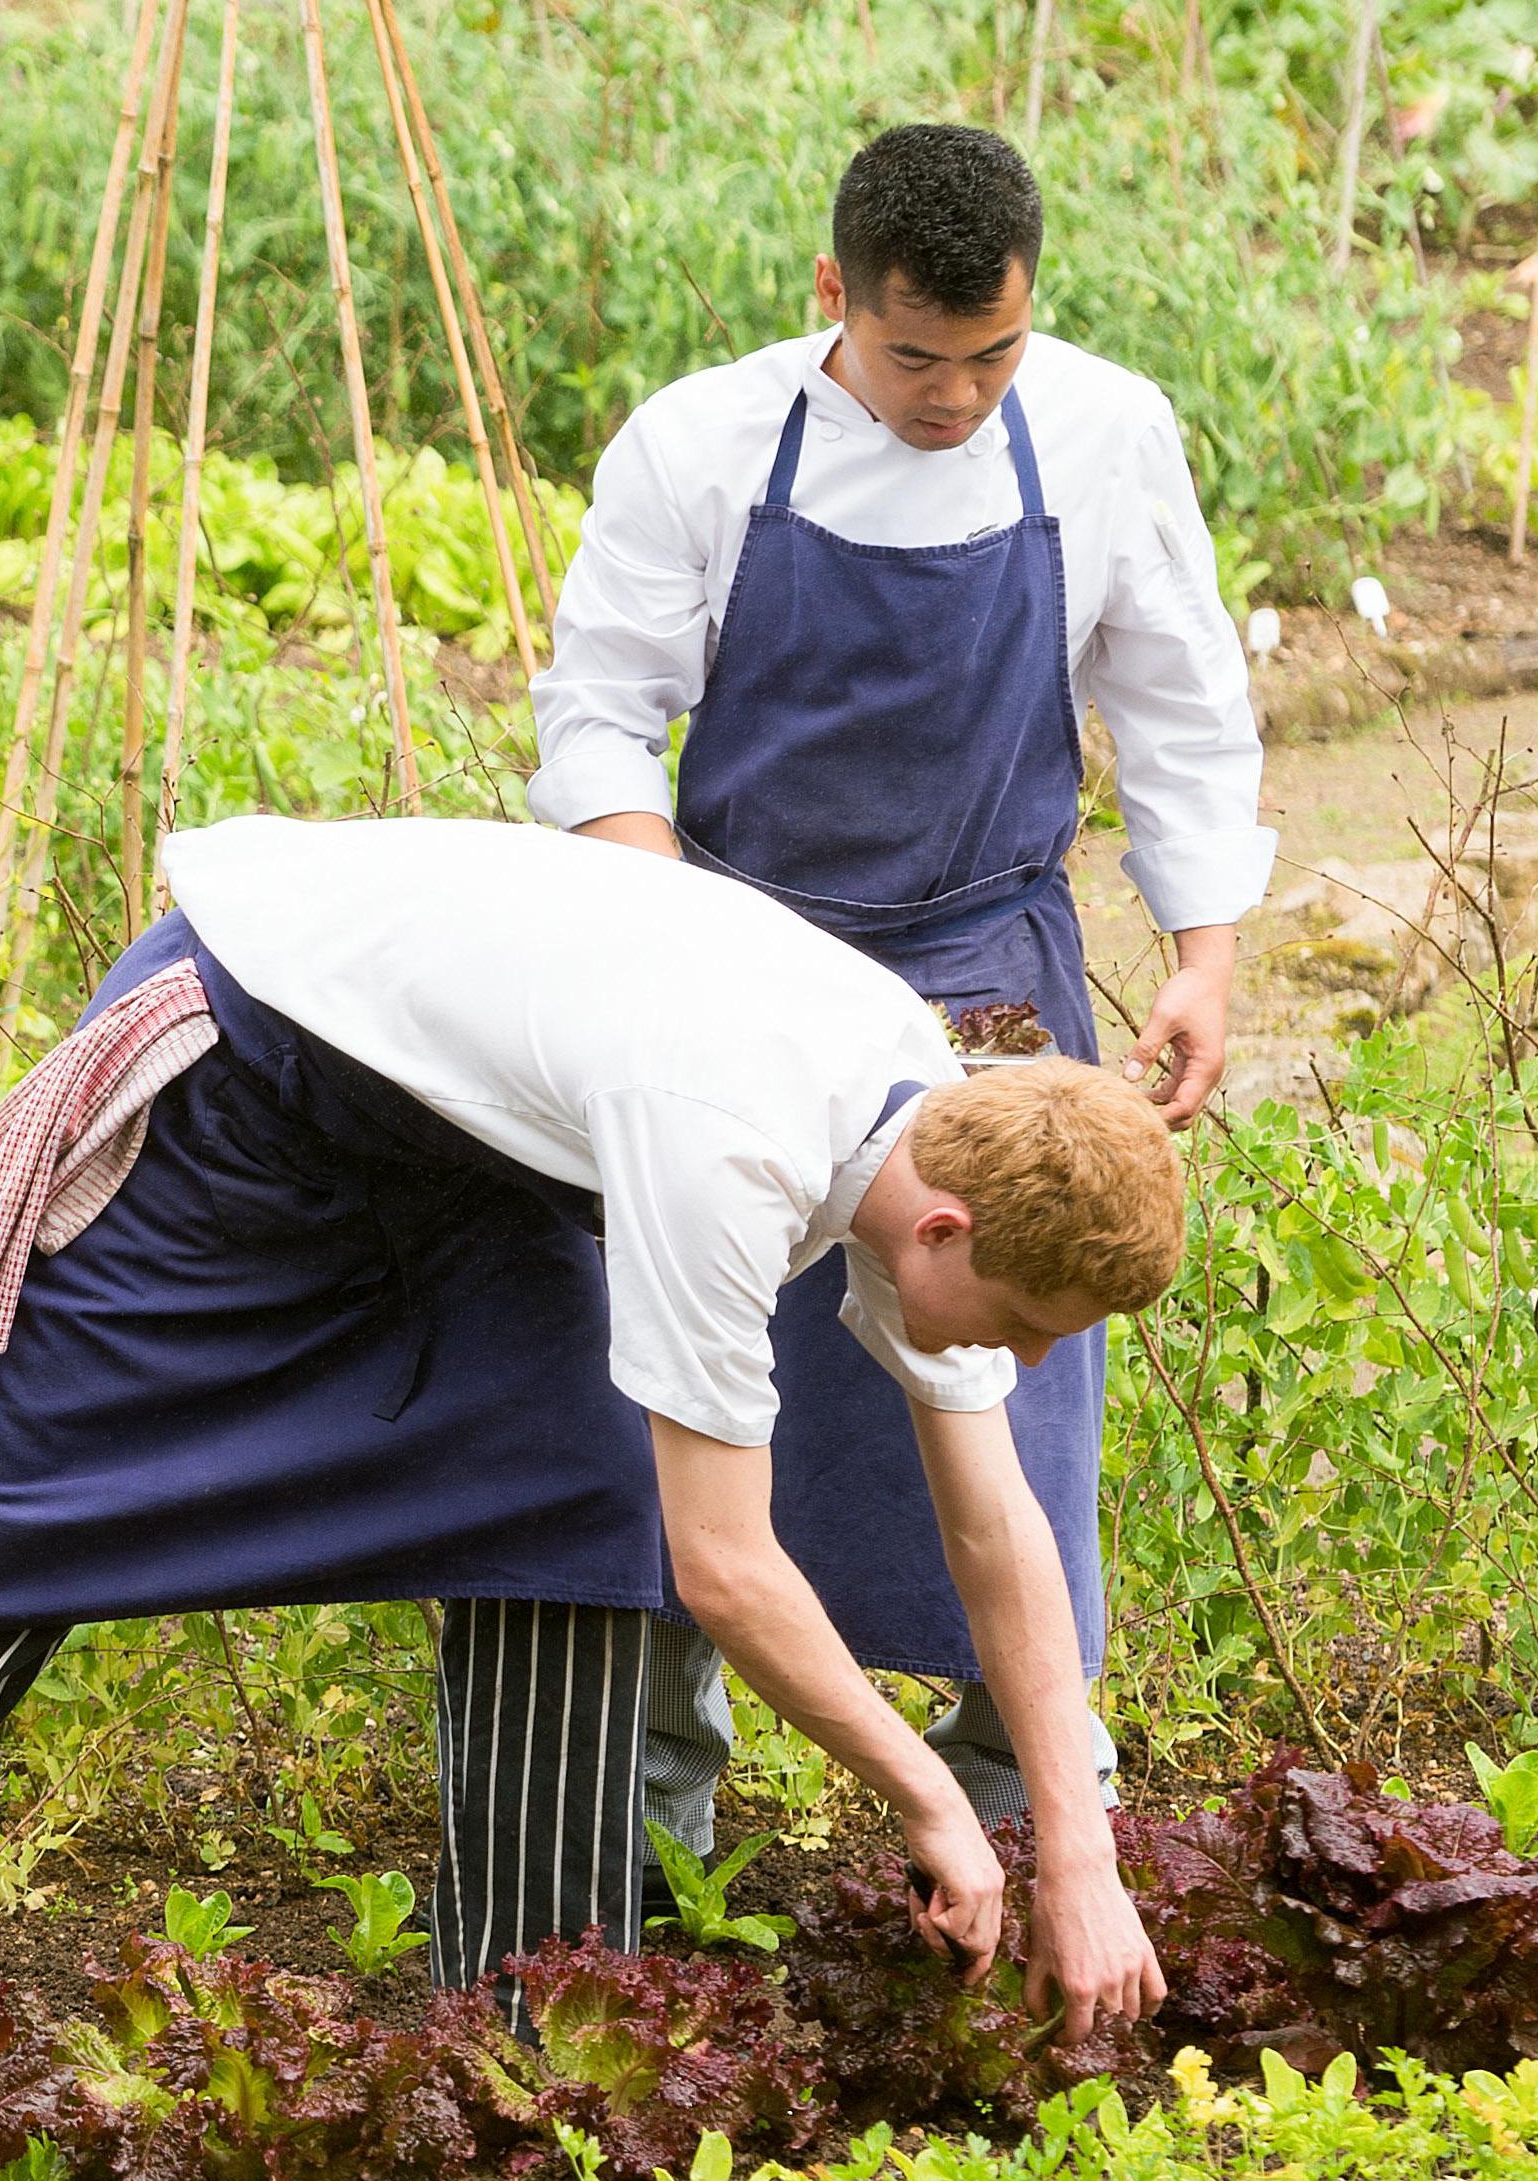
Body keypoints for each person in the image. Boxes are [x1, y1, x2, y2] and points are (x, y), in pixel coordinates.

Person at [0, 813, 1178, 2103]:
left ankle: (524, 2015)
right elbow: (726, 1566)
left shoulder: (926, 1125)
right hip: (247, 1085)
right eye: (1021, 1323)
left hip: (474, 1165)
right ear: (944, 1227)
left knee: (575, 1514)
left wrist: (1071, 1854)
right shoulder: (733, 1140)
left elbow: (996, 1537)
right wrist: (924, 1808)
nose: (1018, 1364)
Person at [525, 123, 1274, 1843]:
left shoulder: (1100, 432)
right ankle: (645, 1839)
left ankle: (1029, 1808)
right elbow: (598, 712)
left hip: (983, 978)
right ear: (830, 299)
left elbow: (1175, 696)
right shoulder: (702, 445)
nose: (954, 397)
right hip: (733, 963)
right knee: (674, 1376)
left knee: (1008, 1358)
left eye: (991, 354)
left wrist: (1206, 949)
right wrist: (668, 934)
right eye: (915, 357)